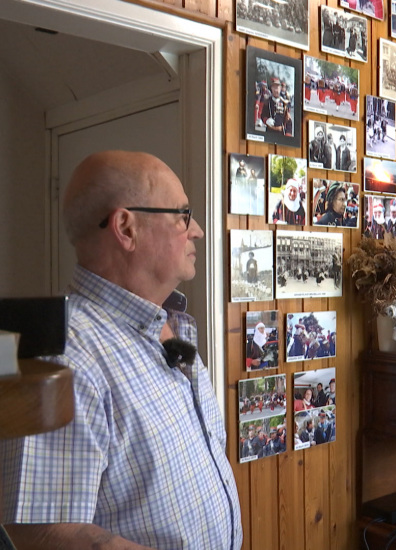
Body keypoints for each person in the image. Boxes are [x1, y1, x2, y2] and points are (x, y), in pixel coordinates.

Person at [0, 151, 242, 549]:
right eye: (183, 215)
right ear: (126, 228)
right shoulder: (65, 357)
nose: (196, 230)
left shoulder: (173, 325)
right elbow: (40, 534)